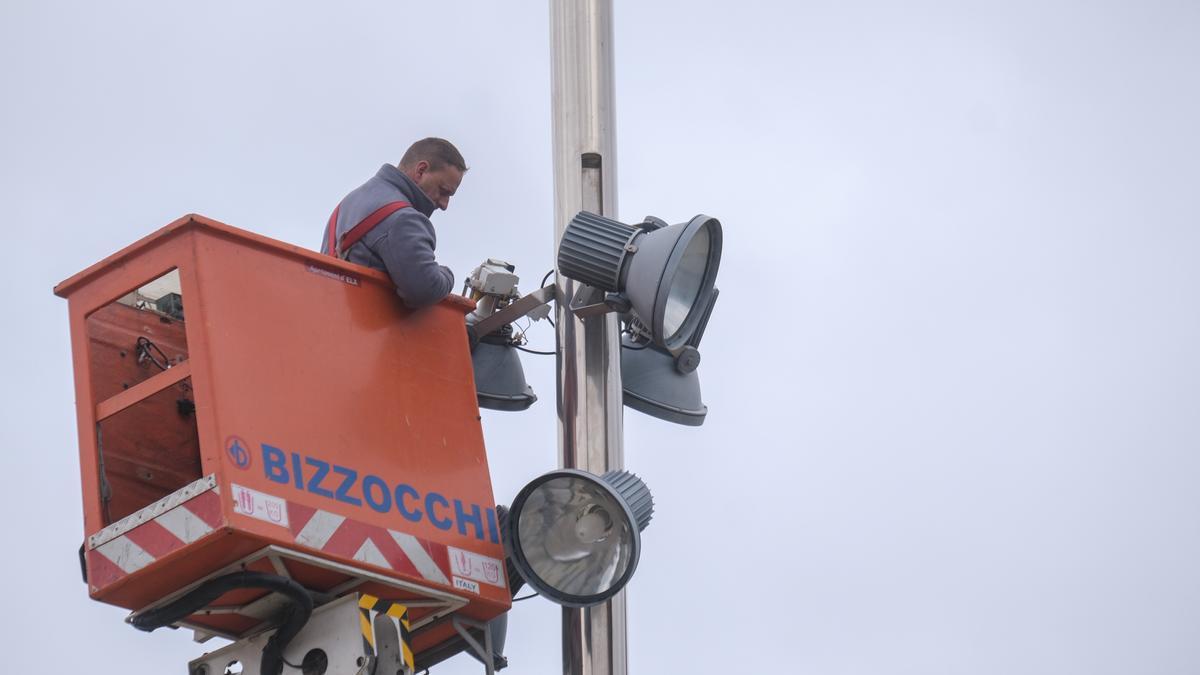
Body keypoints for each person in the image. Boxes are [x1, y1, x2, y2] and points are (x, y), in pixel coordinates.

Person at [322, 138, 467, 308]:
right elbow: (425, 289)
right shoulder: (404, 219)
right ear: (421, 171)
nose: (444, 204)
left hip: (329, 316)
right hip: (363, 326)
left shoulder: (347, 204)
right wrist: (447, 274)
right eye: (443, 191)